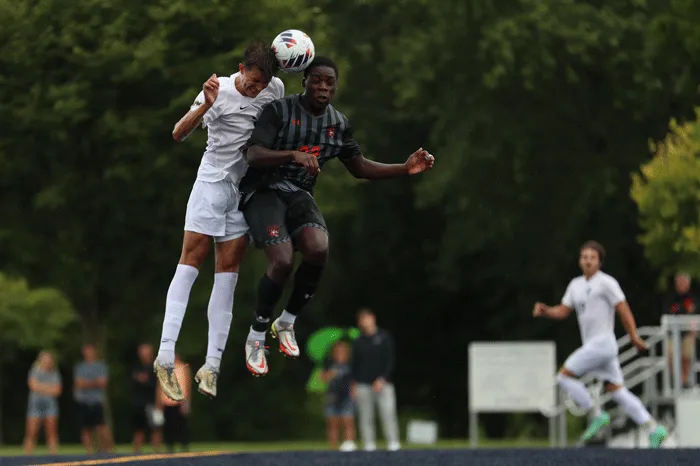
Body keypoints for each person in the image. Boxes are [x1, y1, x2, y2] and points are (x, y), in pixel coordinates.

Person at [239, 56, 435, 376]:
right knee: (283, 260)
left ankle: (286, 321)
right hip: (264, 190)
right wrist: (293, 154)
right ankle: (256, 335)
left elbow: (359, 167)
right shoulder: (279, 111)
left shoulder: (338, 124)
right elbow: (253, 153)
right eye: (317, 80)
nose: (323, 87)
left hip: (299, 195)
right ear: (304, 81)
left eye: (330, 82)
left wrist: (404, 168)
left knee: (318, 248)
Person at [154, 41, 284, 401]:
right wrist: (206, 106)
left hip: (242, 191)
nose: (256, 89)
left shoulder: (275, 88)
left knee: (228, 271)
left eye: (262, 84)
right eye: (251, 81)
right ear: (240, 68)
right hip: (211, 184)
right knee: (191, 261)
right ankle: (165, 356)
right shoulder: (219, 90)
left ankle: (212, 365)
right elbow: (179, 133)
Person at [533, 240, 668, 448]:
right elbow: (564, 310)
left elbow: (623, 308)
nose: (587, 261)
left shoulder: (606, 283)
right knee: (617, 390)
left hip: (602, 343)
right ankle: (653, 428)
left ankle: (596, 414)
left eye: (592, 258)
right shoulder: (575, 285)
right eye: (584, 257)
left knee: (563, 377)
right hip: (597, 347)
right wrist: (547, 311)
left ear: (600, 262)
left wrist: (633, 336)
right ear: (579, 261)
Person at [350, 308, 400, 451]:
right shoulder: (358, 341)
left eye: (366, 318)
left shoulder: (384, 337)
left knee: (388, 413)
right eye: (361, 319)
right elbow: (354, 364)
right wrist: (353, 383)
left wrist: (382, 378)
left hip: (384, 384)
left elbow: (390, 360)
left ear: (373, 318)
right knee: (365, 416)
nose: (364, 322)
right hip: (363, 385)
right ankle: (369, 444)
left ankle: (393, 442)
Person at [74, 343, 112, 453]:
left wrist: (86, 383)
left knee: (101, 427)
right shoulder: (80, 367)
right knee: (85, 428)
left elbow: (103, 382)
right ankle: (89, 452)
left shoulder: (101, 365)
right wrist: (95, 382)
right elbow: (78, 383)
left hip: (97, 401)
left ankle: (107, 450)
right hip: (83, 401)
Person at [663, 272, 698, 388]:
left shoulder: (693, 297)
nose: (683, 284)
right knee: (671, 355)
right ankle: (676, 380)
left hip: (687, 332)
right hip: (672, 333)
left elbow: (693, 312)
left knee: (687, 355)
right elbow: (669, 312)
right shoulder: (670, 296)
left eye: (685, 282)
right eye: (680, 282)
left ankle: (684, 381)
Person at [24, 351, 62, 455]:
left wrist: (41, 387)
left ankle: (54, 456)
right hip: (35, 405)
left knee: (52, 432)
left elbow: (57, 390)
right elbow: (33, 386)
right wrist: (49, 388)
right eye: (45, 360)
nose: (47, 362)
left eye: (49, 360)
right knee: (31, 432)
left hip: (50, 406)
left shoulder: (55, 373)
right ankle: (27, 456)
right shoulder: (34, 371)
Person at [322, 340, 357, 452]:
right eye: (337, 350)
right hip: (333, 395)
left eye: (342, 350)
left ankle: (350, 444)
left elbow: (354, 380)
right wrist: (331, 373)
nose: (340, 352)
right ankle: (333, 447)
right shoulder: (328, 362)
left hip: (347, 395)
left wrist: (354, 391)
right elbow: (323, 378)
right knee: (333, 423)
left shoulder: (351, 363)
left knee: (348, 421)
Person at [156, 353, 191, 453]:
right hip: (166, 401)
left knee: (181, 426)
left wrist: (187, 402)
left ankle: (184, 445)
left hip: (180, 401)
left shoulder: (184, 367)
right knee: (168, 426)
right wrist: (158, 403)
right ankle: (169, 446)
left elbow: (187, 385)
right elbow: (160, 386)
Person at [131, 343, 162, 453]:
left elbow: (158, 385)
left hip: (153, 403)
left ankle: (156, 452)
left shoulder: (156, 367)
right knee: (139, 429)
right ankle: (135, 453)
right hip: (139, 403)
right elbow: (137, 380)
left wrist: (159, 403)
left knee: (156, 428)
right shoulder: (136, 366)